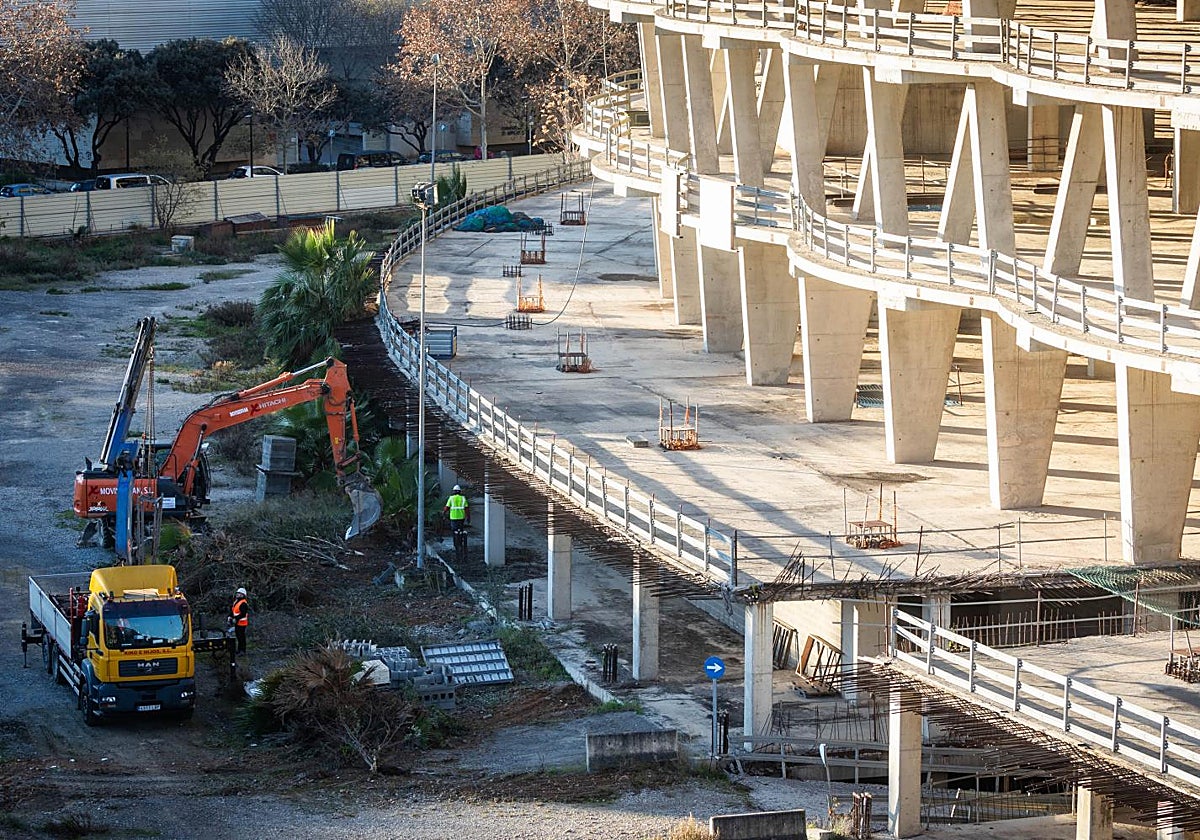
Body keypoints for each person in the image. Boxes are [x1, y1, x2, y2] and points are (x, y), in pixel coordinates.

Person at [444, 484, 469, 563]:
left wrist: (443, 513)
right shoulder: (463, 498)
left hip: (453, 518)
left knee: (454, 532)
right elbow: (467, 508)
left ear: (454, 491)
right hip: (461, 518)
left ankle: (456, 544)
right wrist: (468, 517)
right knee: (461, 530)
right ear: (460, 491)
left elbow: (447, 507)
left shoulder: (451, 498)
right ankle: (460, 542)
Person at [229, 587, 249, 654]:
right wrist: (230, 616)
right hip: (237, 623)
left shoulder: (243, 603)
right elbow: (233, 611)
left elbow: (243, 614)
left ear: (243, 595)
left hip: (242, 623)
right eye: (237, 593)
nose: (238, 594)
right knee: (238, 637)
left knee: (241, 637)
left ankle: (242, 651)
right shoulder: (236, 602)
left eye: (240, 593)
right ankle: (239, 650)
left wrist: (236, 618)